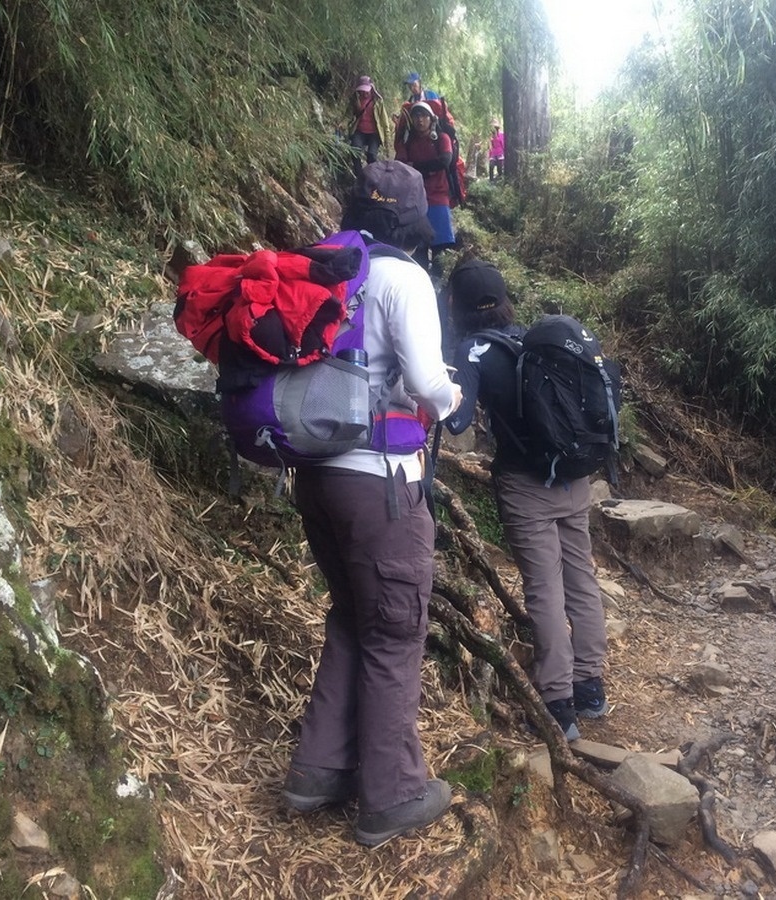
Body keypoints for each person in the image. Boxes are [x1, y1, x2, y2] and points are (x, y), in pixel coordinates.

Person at [282, 160, 463, 846]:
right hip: (380, 484)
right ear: (411, 226)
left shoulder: (320, 264)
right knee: (394, 631)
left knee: (353, 618)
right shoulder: (402, 276)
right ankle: (392, 794)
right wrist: (452, 399)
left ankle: (317, 772)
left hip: (316, 477)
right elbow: (422, 379)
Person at [443, 259, 609, 741]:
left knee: (544, 587)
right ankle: (590, 688)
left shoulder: (472, 349)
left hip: (524, 486)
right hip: (573, 479)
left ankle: (557, 703)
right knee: (581, 576)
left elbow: (455, 423)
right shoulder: (533, 342)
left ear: (457, 306)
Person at [394, 101, 455, 276]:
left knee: (440, 247)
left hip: (439, 196)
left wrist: (416, 166)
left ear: (431, 118)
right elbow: (401, 164)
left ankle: (438, 285)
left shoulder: (442, 138)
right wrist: (425, 167)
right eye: (416, 116)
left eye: (424, 116)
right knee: (418, 246)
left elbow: (445, 160)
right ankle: (421, 281)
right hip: (415, 199)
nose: (420, 120)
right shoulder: (408, 141)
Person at [346, 76, 390, 176]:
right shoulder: (355, 100)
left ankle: (373, 178)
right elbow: (348, 115)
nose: (364, 93)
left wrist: (387, 141)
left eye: (366, 91)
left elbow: (385, 122)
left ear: (371, 88)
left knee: (371, 155)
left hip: (374, 133)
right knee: (354, 151)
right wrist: (342, 124)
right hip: (359, 131)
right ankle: (359, 176)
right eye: (362, 91)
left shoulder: (378, 102)